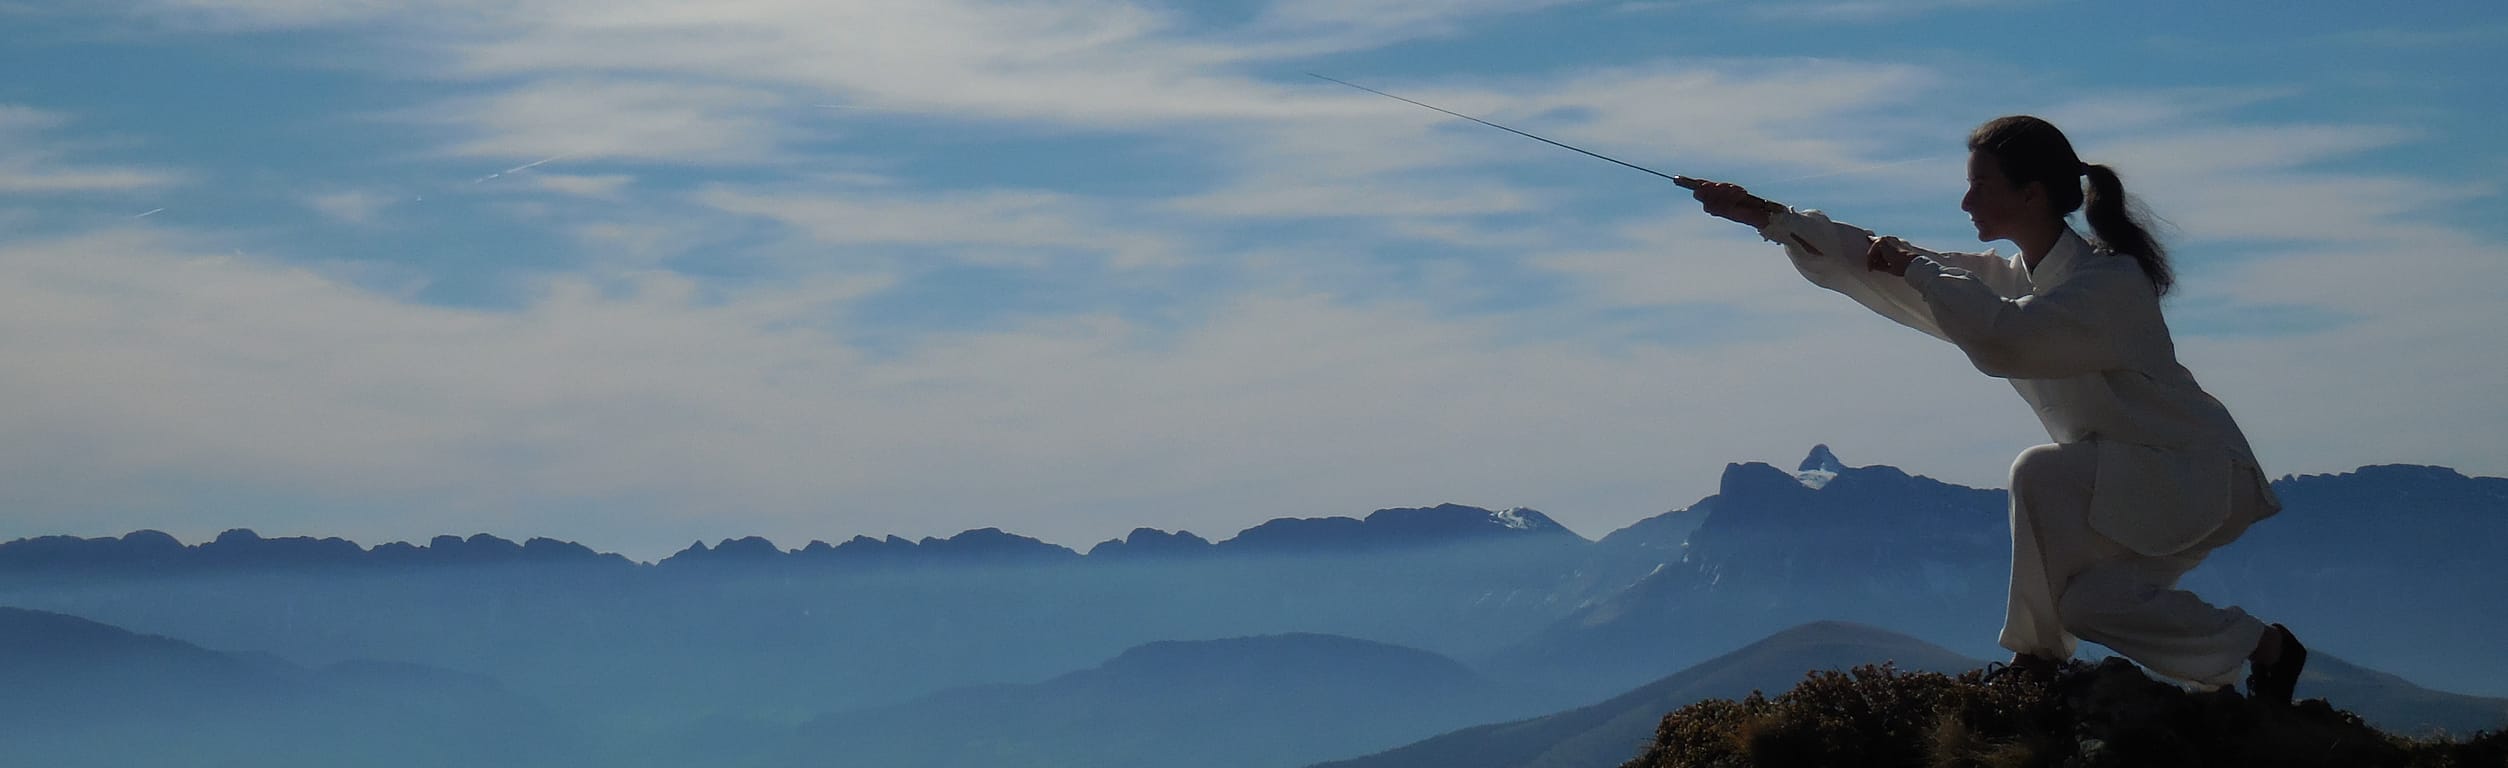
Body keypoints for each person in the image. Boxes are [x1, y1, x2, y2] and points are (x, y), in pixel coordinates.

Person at [1687, 115, 2307, 703]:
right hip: (2135, 478)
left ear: (2032, 193)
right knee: (2089, 607)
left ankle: (2036, 662)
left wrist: (1920, 272)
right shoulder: (2018, 276)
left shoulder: (2109, 283)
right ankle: (2269, 649)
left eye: (1980, 186)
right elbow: (1886, 263)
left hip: (2189, 475)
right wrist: (1767, 217)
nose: (1966, 203)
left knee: (2040, 471)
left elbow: (2010, 337)